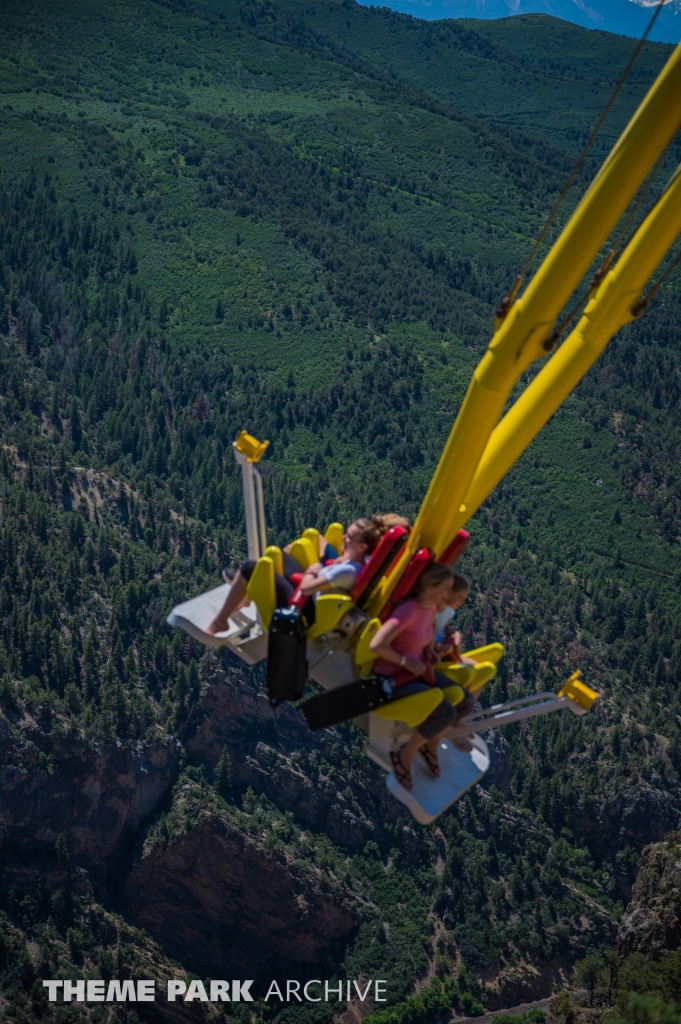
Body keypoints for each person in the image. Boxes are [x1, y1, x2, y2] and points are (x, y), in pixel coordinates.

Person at [206, 514, 410, 635]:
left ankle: (220, 621)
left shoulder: (351, 569)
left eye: (349, 537)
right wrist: (321, 569)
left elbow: (306, 587)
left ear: (363, 546)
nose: (345, 539)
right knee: (278, 556)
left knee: (252, 567)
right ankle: (246, 595)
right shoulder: (363, 564)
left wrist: (313, 572)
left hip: (305, 610)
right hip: (315, 595)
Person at [368, 564, 475, 790]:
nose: (449, 593)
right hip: (394, 678)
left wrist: (428, 651)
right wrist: (406, 661)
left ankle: (430, 743)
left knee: (465, 701)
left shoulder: (428, 610)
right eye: (446, 588)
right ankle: (405, 756)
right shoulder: (408, 611)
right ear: (429, 588)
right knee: (445, 711)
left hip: (417, 671)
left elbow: (425, 635)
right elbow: (376, 644)